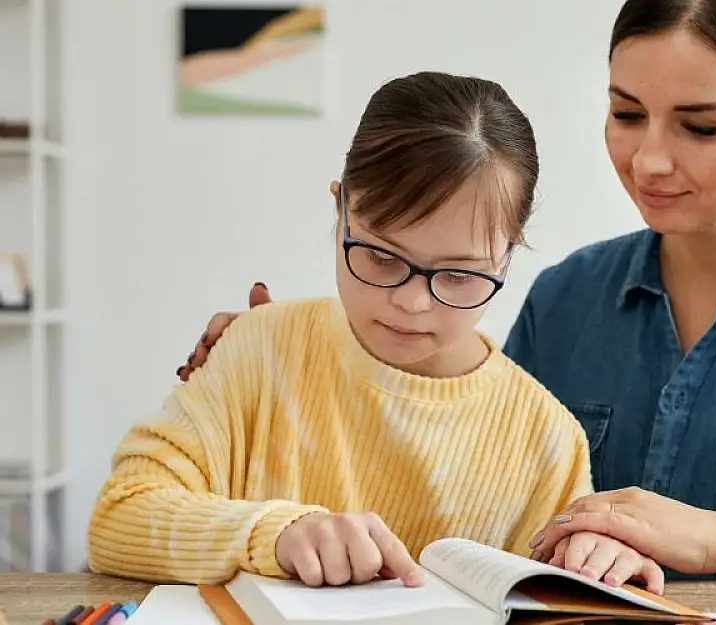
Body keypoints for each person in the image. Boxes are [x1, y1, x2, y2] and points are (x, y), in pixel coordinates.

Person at [179, 0, 716, 586]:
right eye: (627, 111)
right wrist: (288, 364)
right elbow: (450, 473)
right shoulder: (566, 301)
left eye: (701, 125)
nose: (648, 159)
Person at [88, 70, 665, 594]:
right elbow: (118, 519)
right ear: (340, 209)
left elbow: (557, 595)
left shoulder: (544, 439)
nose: (412, 302)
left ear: (508, 255)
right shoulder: (258, 352)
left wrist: (600, 561)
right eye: (382, 257)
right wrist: (276, 533)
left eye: (460, 274)